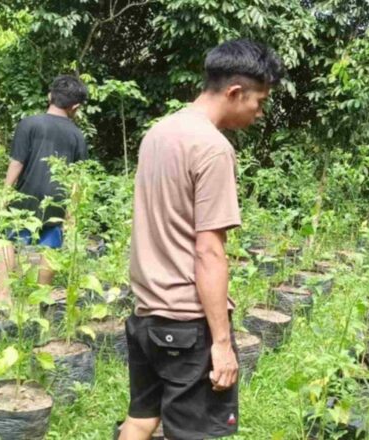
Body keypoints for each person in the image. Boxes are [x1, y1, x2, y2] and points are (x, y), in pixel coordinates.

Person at [119, 39, 284, 440]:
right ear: (234, 92)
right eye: (259, 101)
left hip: (146, 314)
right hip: (186, 324)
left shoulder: (158, 133)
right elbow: (209, 250)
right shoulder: (212, 149)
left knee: (141, 419)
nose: (259, 112)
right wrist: (223, 345)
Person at [0, 74, 89, 302]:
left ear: (50, 96)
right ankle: (42, 297)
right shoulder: (78, 135)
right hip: (57, 199)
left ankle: (3, 296)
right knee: (50, 246)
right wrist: (72, 211)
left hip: (25, 195)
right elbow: (76, 178)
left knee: (8, 241)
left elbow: (17, 162)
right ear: (75, 107)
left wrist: (5, 194)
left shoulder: (29, 123)